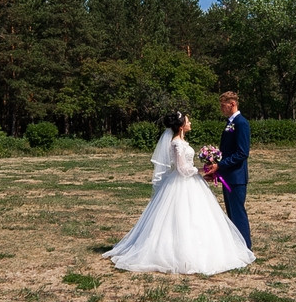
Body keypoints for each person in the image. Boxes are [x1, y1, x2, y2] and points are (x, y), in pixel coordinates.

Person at [102, 111, 255, 275]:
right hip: (183, 182)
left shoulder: (181, 141)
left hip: (190, 182)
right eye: (188, 121)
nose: (190, 124)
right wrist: (200, 171)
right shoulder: (176, 143)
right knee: (181, 216)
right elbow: (182, 169)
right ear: (181, 126)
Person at [209, 91, 251, 249]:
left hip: (236, 177)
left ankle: (246, 247)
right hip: (228, 176)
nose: (221, 108)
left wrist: (220, 165)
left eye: (223, 105)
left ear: (232, 104)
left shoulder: (241, 123)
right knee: (231, 212)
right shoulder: (230, 123)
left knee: (238, 212)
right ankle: (236, 246)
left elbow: (242, 153)